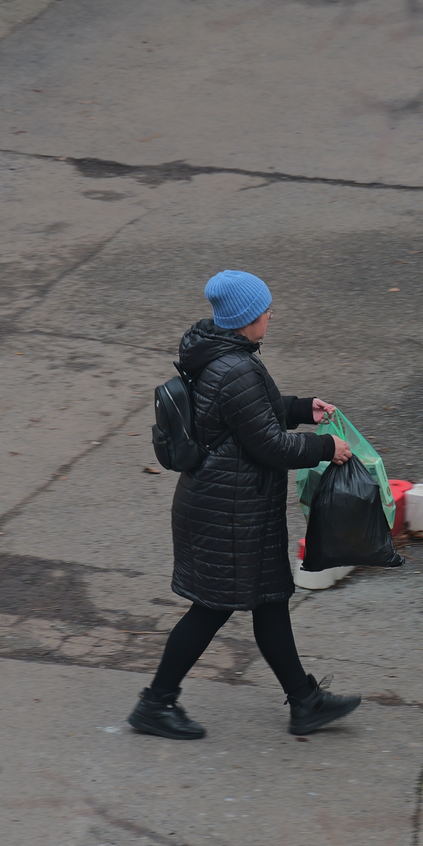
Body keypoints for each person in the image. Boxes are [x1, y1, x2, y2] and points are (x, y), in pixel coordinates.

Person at [128, 269, 364, 740]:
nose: (270, 316)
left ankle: (304, 701)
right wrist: (325, 448)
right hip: (228, 514)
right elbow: (270, 445)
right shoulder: (236, 369)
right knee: (212, 609)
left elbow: (252, 416)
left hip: (235, 508)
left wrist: (302, 408)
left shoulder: (221, 352)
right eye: (265, 310)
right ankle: (155, 704)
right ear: (247, 317)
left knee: (270, 601)